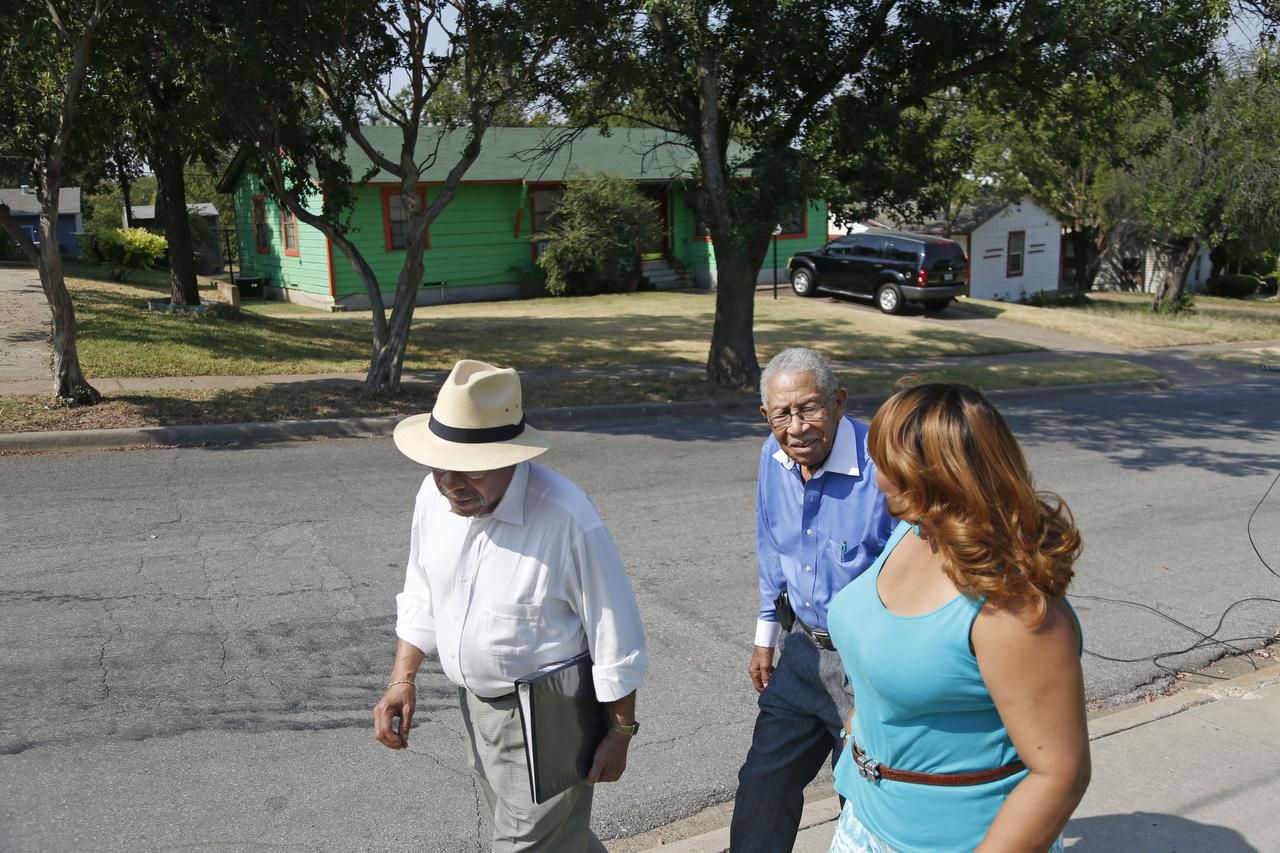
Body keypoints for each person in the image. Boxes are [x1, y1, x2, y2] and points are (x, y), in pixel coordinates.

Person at [372, 359, 647, 853]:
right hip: (478, 711)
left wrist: (621, 731)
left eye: (469, 469)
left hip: (551, 716)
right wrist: (402, 678)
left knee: (522, 845)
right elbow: (421, 588)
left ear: (511, 457)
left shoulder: (567, 518)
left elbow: (615, 635)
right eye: (439, 464)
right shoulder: (435, 496)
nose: (450, 482)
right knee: (558, 841)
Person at [827, 383, 1090, 853]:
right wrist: (865, 717)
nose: (872, 471)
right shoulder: (913, 531)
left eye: (884, 460)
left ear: (929, 476)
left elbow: (1061, 773)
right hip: (863, 819)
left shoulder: (1010, 608)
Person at [730, 347, 896, 852]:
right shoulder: (772, 456)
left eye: (810, 408)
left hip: (869, 665)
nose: (797, 427)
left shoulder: (884, 467)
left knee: (865, 800)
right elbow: (770, 546)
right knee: (763, 786)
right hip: (801, 653)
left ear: (839, 402)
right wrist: (765, 635)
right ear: (766, 416)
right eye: (782, 414)